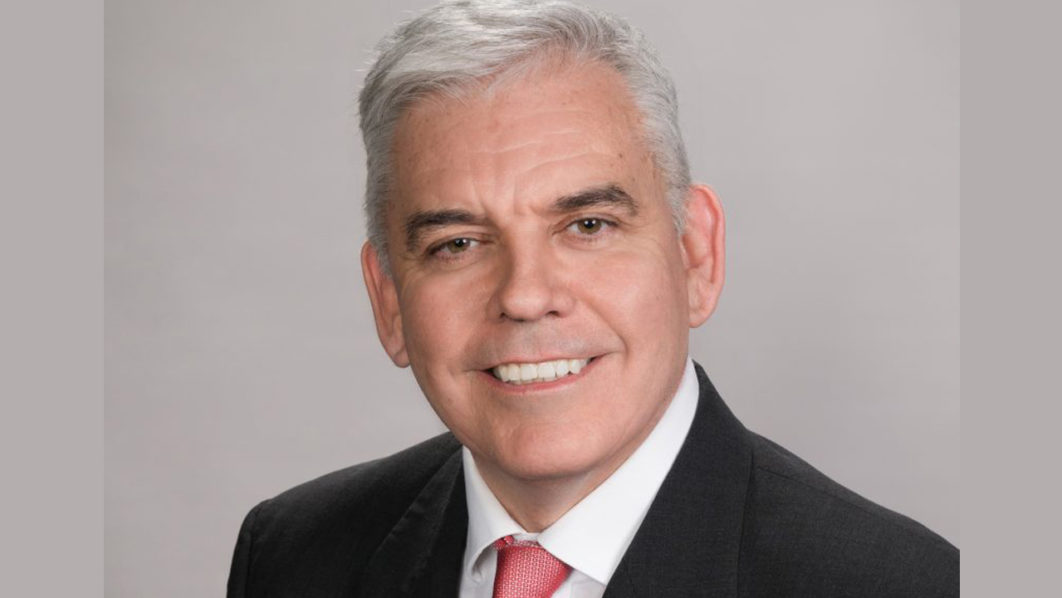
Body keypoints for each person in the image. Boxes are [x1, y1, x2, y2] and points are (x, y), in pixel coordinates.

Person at [226, 1, 958, 596]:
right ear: (388, 300)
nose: (525, 296)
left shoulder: (904, 586)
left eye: (588, 226)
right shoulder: (292, 559)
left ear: (695, 255)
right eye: (458, 243)